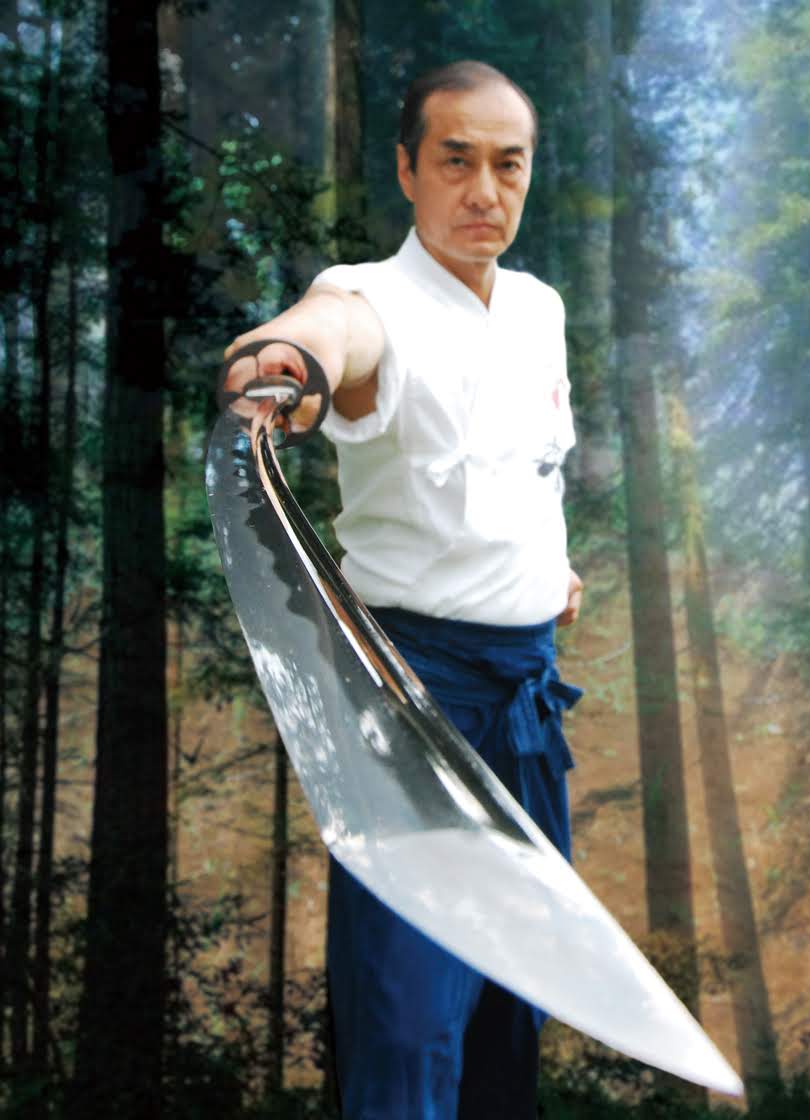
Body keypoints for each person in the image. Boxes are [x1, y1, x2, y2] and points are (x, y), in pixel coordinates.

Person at [224, 60, 583, 1120]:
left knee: (514, 1002)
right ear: (407, 170)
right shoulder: (372, 297)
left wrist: (543, 572)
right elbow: (327, 333)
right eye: (455, 161)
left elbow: (525, 469)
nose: (484, 192)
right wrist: (284, 359)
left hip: (526, 700)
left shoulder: (538, 308)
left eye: (508, 165)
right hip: (413, 704)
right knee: (408, 1015)